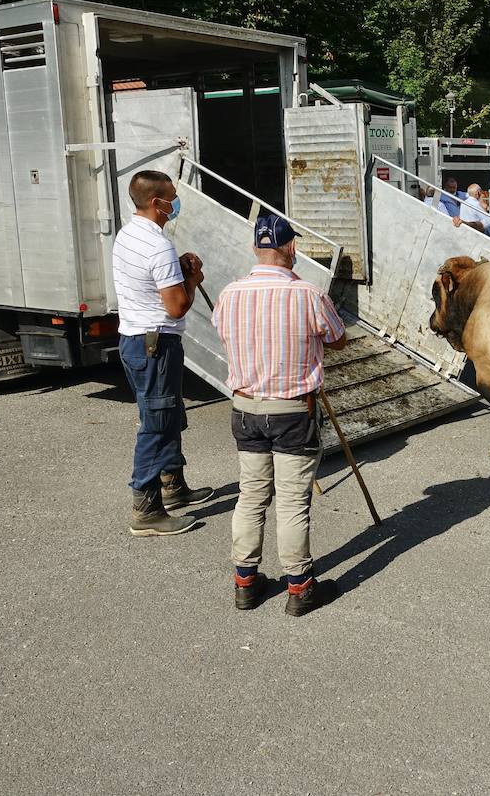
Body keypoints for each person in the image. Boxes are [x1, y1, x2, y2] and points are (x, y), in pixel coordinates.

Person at [212, 215, 349, 616]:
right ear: (291, 248)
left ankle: (246, 583)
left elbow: (223, 332)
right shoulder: (308, 294)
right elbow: (337, 339)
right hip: (292, 412)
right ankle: (300, 588)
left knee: (251, 496)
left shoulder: (230, 293)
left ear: (257, 248)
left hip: (245, 409)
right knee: (291, 503)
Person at [111, 170, 212, 537]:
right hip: (155, 342)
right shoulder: (157, 245)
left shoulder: (129, 234)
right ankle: (147, 508)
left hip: (137, 341)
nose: (176, 203)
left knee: (167, 412)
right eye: (172, 197)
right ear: (157, 202)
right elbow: (177, 306)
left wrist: (177, 269)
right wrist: (192, 278)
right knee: (156, 421)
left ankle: (174, 485)